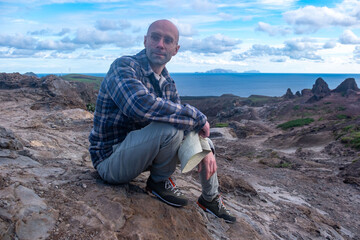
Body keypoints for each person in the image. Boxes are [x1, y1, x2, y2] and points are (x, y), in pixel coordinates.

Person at [89, 19, 236, 223]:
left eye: (168, 40)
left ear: (175, 49)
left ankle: (209, 199)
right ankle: (159, 182)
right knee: (169, 129)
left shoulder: (167, 82)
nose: (160, 44)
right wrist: (197, 115)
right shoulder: (124, 66)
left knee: (205, 143)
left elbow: (182, 123)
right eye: (155, 37)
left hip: (141, 156)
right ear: (145, 40)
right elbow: (139, 106)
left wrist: (206, 149)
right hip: (110, 161)